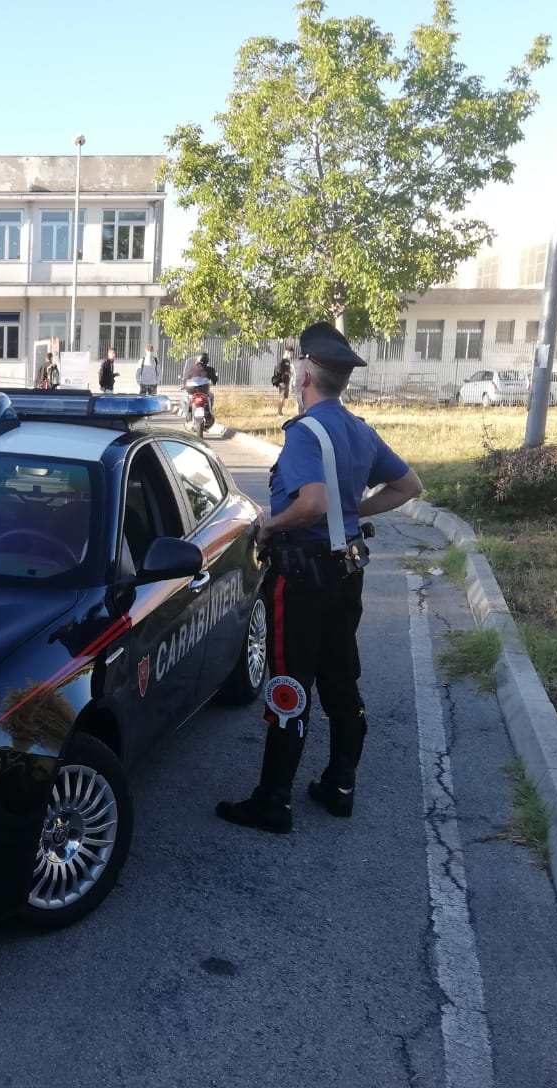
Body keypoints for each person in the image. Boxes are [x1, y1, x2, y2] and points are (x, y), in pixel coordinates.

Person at [216, 322, 422, 835]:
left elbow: (311, 504)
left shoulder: (306, 432)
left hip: (303, 578)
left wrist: (269, 524)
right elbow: (408, 485)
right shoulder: (359, 429)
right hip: (347, 574)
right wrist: (355, 510)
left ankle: (273, 801)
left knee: (290, 681)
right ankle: (340, 785)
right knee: (340, 677)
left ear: (305, 373)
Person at [271, 346, 293, 416]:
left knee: (283, 397)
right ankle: (279, 413)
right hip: (284, 381)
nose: (291, 355)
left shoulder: (281, 360)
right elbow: (286, 372)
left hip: (282, 380)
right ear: (288, 352)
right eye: (291, 353)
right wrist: (290, 373)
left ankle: (280, 412)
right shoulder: (286, 361)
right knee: (282, 397)